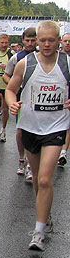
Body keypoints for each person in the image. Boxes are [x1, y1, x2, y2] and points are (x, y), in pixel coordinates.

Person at [6, 20, 69, 251]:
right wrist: (12, 104)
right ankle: (45, 213)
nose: (46, 44)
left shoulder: (67, 63)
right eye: (42, 40)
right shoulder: (26, 63)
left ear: (59, 41)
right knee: (36, 182)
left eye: (51, 40)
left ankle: (38, 232)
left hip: (56, 127)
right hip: (31, 127)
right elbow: (10, 89)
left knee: (44, 179)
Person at [2, 27, 38, 178]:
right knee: (20, 131)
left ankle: (32, 163)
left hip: (37, 99)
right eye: (27, 40)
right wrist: (15, 86)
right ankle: (22, 159)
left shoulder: (41, 56)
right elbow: (5, 75)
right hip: (21, 99)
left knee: (35, 130)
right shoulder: (17, 58)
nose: (30, 43)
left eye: (32, 40)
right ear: (23, 40)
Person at [57, 32, 70, 166]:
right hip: (58, 95)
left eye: (69, 41)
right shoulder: (58, 57)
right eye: (65, 41)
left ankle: (63, 152)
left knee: (68, 124)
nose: (67, 43)